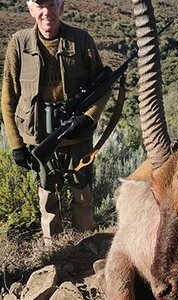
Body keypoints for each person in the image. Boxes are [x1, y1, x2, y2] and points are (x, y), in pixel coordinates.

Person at [1, 0, 111, 245]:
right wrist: (16, 144)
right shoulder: (19, 43)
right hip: (39, 138)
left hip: (77, 138)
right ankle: (55, 253)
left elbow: (103, 89)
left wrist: (88, 117)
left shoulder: (81, 40)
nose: (46, 12)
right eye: (39, 6)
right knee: (48, 199)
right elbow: (8, 96)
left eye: (51, 5)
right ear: (30, 9)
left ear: (62, 7)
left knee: (82, 196)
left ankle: (85, 251)